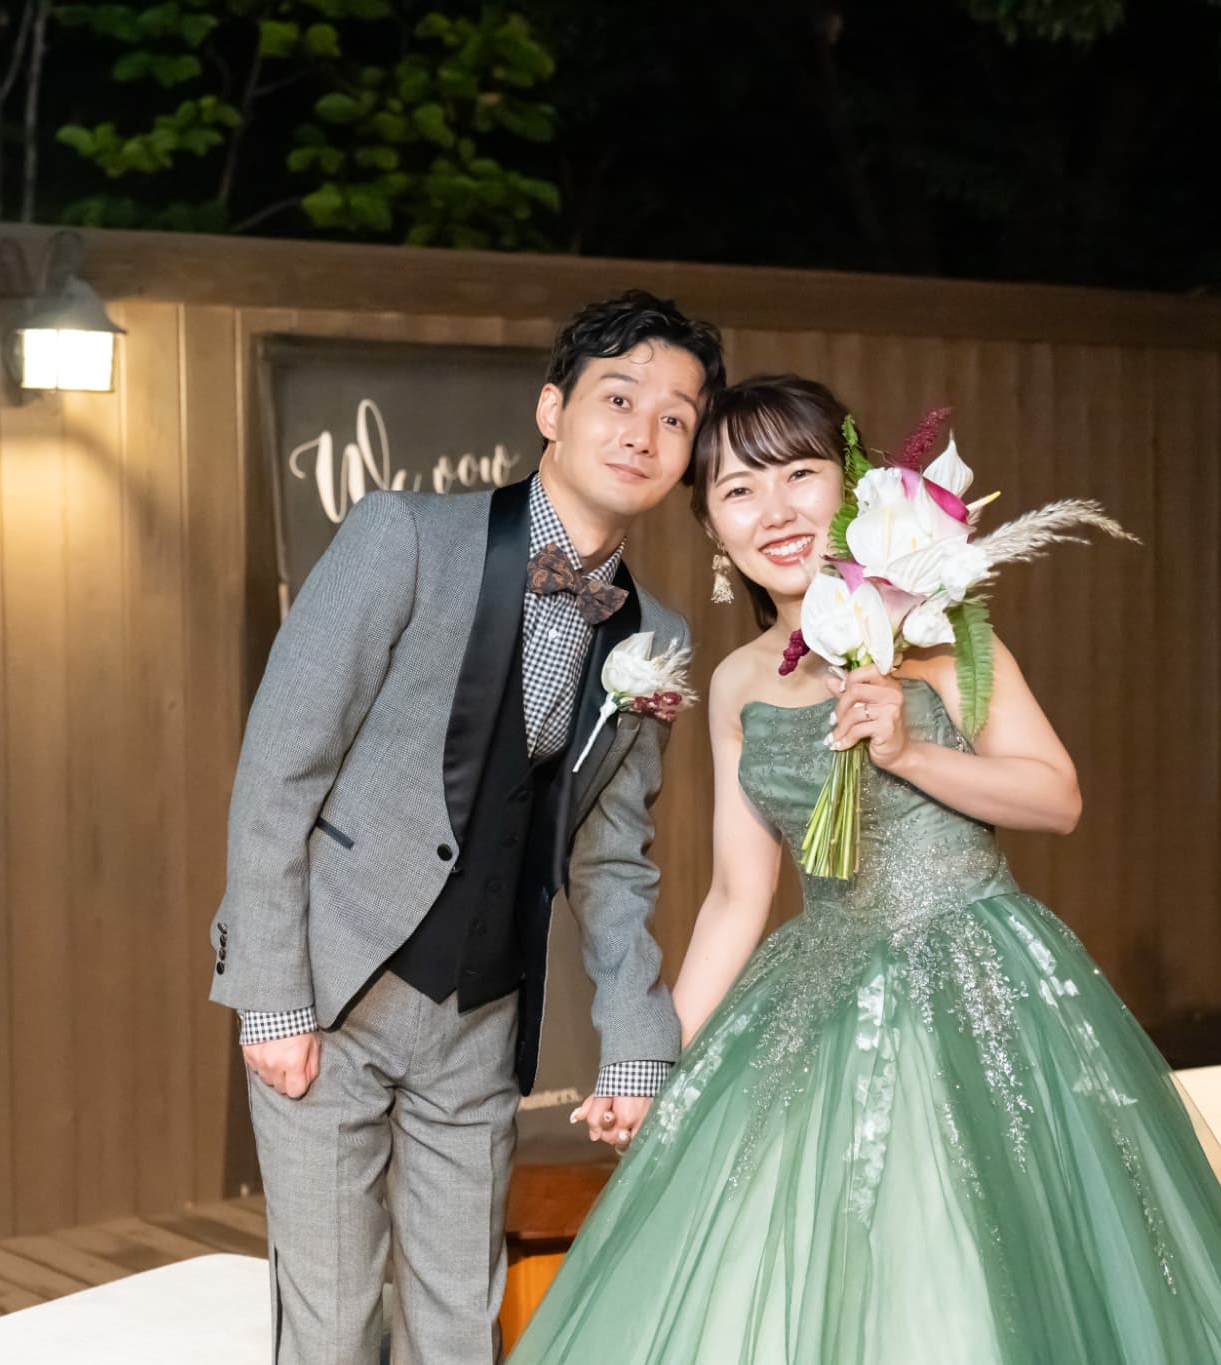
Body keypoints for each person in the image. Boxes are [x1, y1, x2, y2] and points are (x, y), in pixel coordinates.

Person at [506, 374, 1221, 1364]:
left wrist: (907, 754)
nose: (773, 510)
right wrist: (651, 1065)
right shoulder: (733, 684)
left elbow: (1056, 797)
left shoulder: (939, 636)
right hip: (815, 997)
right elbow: (735, 897)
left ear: (853, 485)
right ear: (713, 531)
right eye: (737, 490)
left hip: (980, 982)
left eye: (798, 475)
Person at [209, 291, 725, 1364]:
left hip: (480, 1022)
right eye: (618, 399)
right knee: (333, 1325)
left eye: (674, 418)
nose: (643, 431)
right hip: (333, 995)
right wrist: (271, 999)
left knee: (457, 1328)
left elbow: (611, 858)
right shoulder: (403, 538)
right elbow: (276, 774)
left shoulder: (654, 638)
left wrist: (637, 1044)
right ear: (552, 410)